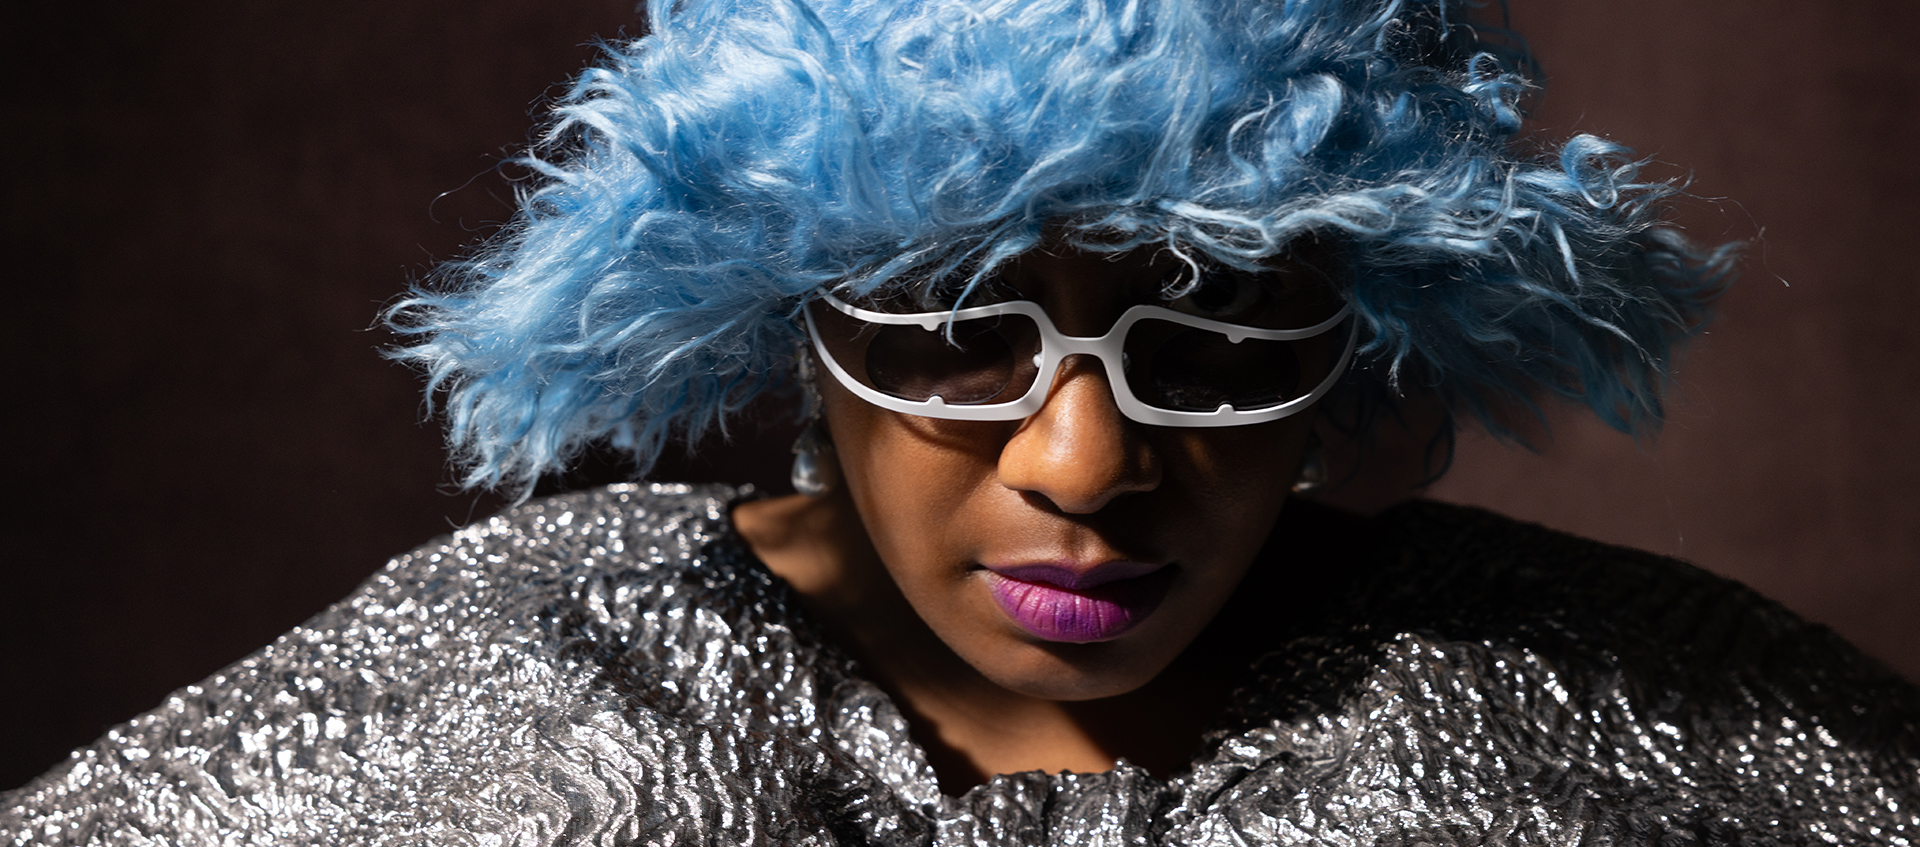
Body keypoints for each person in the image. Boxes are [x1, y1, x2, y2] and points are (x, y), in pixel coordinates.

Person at [4, 0, 1915, 842]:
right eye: (948, 334)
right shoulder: (496, 708)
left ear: (1367, 346)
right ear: (786, 321)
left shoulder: (1651, 722)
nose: (1082, 468)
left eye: (1225, 335)